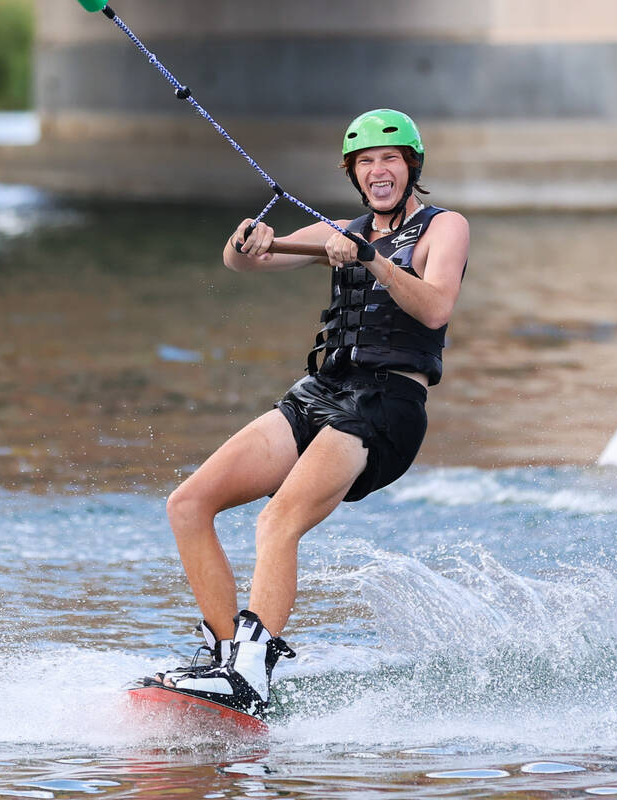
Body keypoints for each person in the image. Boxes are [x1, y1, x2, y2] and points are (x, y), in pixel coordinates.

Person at [146, 109, 469, 718]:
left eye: (391, 159)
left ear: (412, 167)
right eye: (367, 161)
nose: (380, 170)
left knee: (276, 522)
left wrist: (370, 258)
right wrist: (248, 242)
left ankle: (250, 675)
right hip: (321, 392)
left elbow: (434, 308)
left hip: (386, 404)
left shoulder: (443, 226)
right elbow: (244, 263)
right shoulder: (340, 230)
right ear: (354, 173)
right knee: (188, 505)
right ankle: (224, 660)